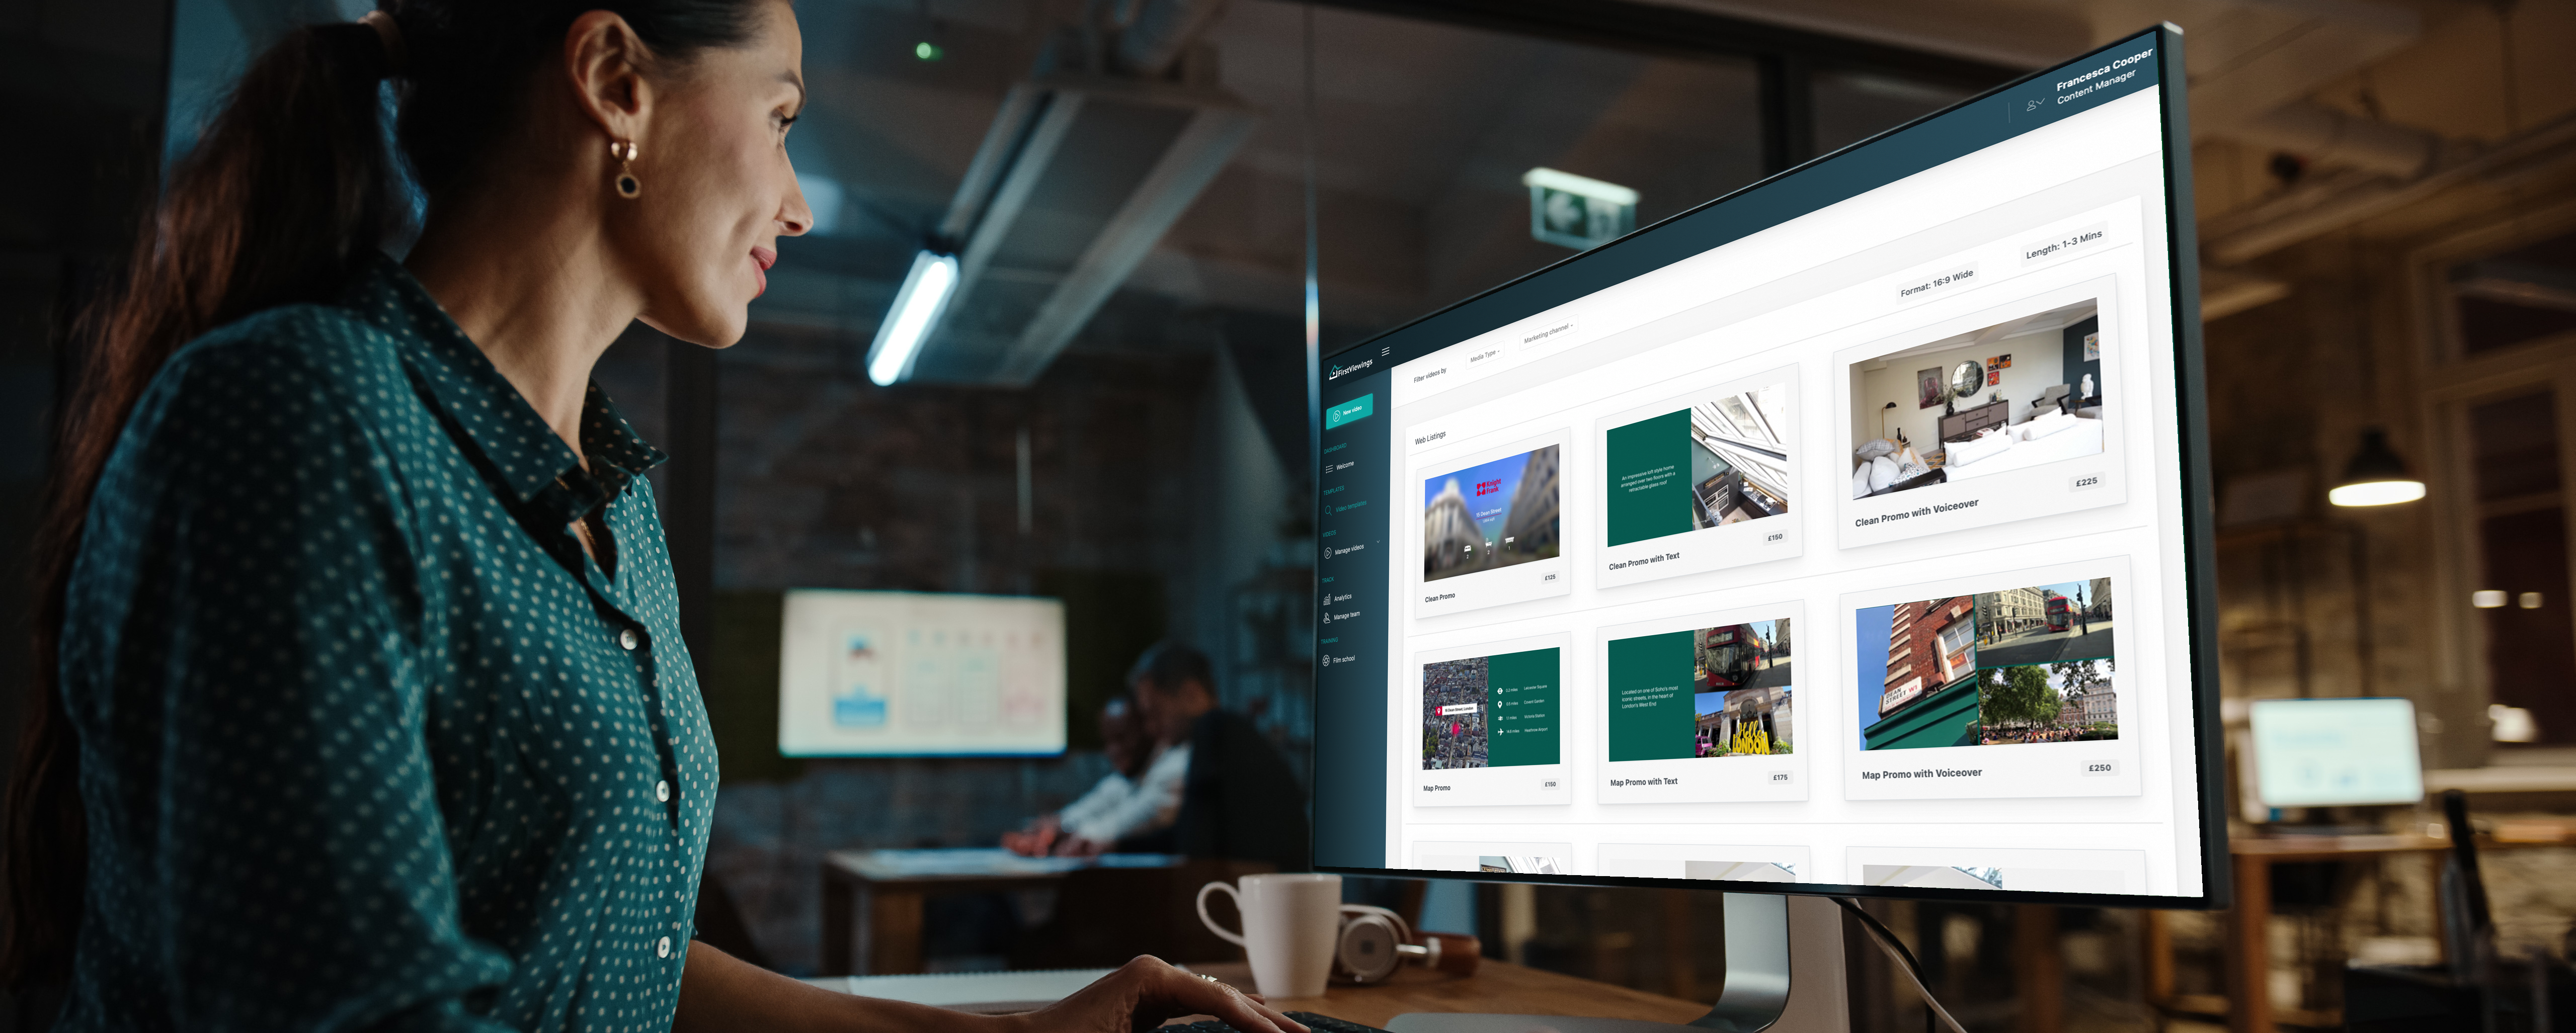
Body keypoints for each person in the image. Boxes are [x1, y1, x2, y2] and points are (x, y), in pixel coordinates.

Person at [0, 4, 1302, 1031]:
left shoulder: (615, 504)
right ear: (617, 81)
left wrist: (1001, 1031)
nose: (796, 201)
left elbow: (613, 952)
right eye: (782, 118)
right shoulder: (301, 414)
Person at [1117, 643, 1310, 872]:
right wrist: (1116, 845)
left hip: (1258, 891)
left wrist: (1117, 845)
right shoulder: (1234, 734)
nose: (1150, 728)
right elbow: (1186, 835)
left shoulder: (1213, 729)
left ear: (1191, 694)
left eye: (1156, 712)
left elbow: (1194, 845)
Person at [1002, 697, 1189, 857]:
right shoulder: (1130, 775)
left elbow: (1127, 821)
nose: (1113, 750)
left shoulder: (1174, 766)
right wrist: (1056, 827)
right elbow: (1092, 806)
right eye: (1108, 741)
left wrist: (1061, 837)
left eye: (1122, 738)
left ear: (1149, 729)